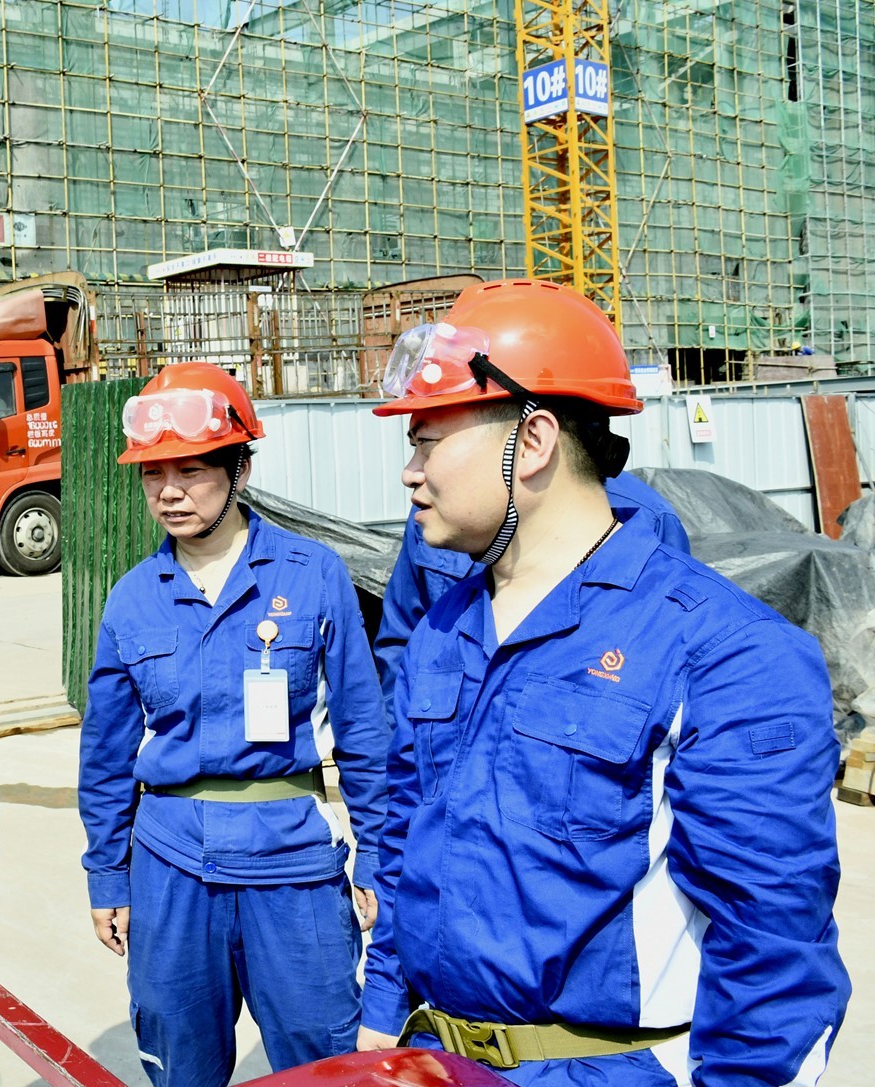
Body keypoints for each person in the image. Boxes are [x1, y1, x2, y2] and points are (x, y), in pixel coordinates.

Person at [359, 280, 850, 1083]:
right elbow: (407, 843)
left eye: (429, 441)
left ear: (534, 440)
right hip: (437, 1057)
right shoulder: (443, 630)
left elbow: (773, 958)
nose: (410, 473)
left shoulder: (724, 650)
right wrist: (382, 1011)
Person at [78, 363, 388, 1087]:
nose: (169, 491)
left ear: (240, 470)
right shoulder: (131, 599)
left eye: (191, 470)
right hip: (171, 868)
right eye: (153, 473)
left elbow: (364, 731)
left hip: (293, 865)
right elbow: (106, 756)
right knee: (179, 1064)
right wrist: (107, 874)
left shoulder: (313, 575)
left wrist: (377, 856)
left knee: (326, 1066)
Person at [373, 471, 690, 717]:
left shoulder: (645, 518)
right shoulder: (438, 512)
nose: (411, 473)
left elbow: (664, 668)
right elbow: (401, 641)